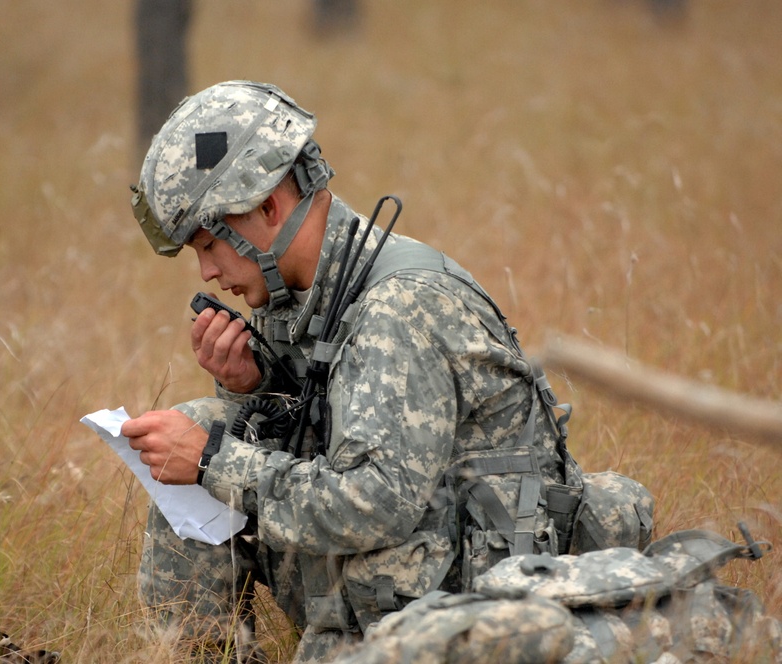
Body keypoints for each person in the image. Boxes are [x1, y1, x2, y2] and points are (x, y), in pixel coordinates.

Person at [120, 80, 638, 663]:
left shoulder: (399, 307)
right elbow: (326, 429)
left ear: (268, 206)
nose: (208, 273)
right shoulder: (305, 290)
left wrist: (216, 460)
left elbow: (375, 503)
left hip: (476, 589)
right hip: (418, 551)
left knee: (207, 449)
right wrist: (251, 389)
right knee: (206, 426)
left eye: (210, 246)